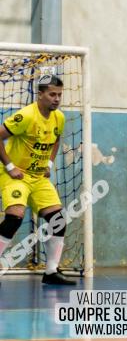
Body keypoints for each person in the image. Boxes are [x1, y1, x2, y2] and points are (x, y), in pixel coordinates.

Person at [0, 75, 76, 285]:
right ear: (40, 94)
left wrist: (49, 165)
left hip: (38, 177)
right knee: (15, 217)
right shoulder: (26, 116)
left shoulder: (58, 118)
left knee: (58, 219)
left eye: (60, 95)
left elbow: (56, 139)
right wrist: (10, 166)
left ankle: (51, 271)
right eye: (52, 94)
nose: (57, 99)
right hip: (16, 175)